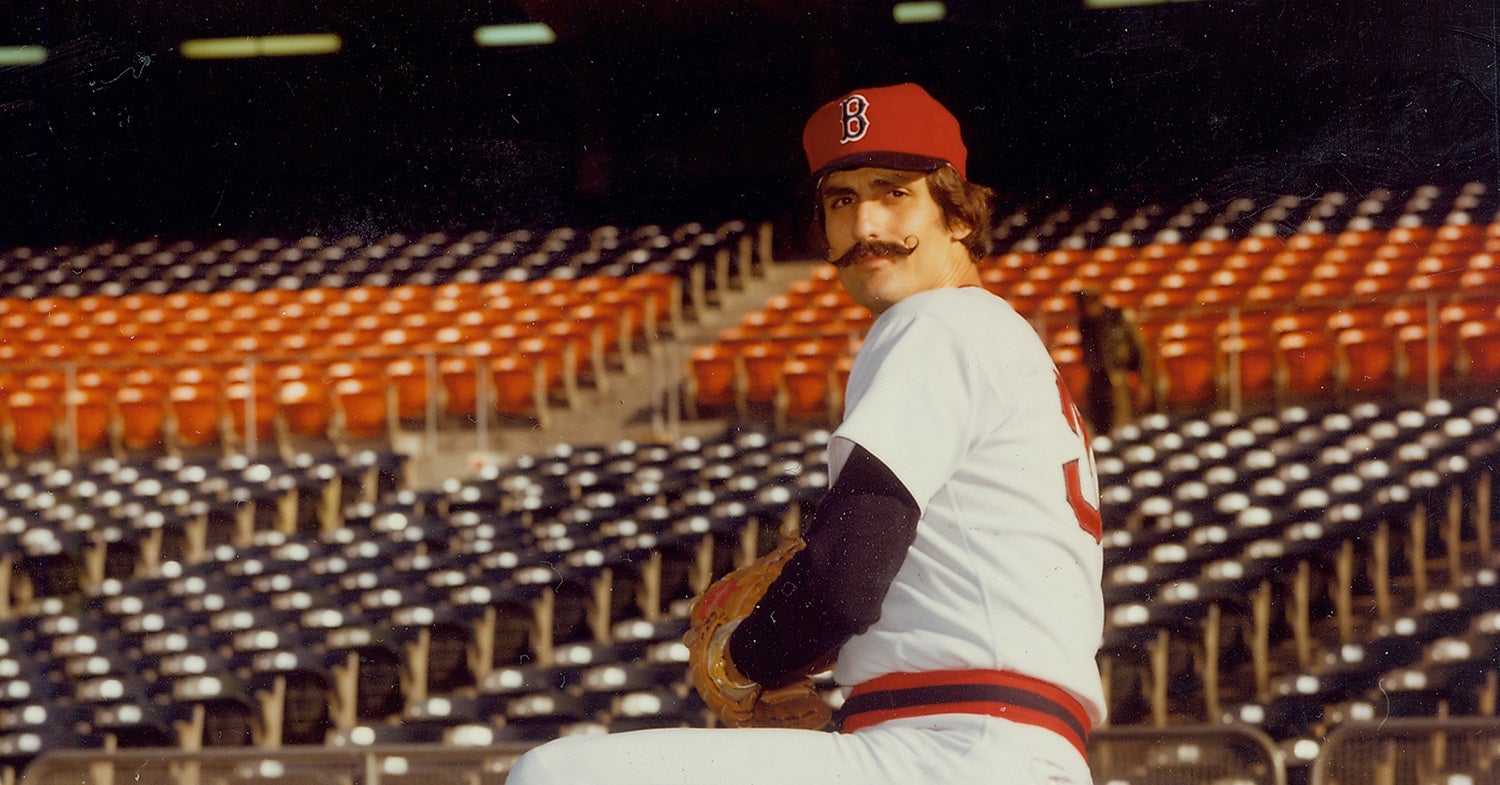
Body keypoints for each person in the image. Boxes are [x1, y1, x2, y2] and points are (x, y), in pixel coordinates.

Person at [508, 82, 1105, 785]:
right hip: (1010, 743)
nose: (866, 226)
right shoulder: (1000, 338)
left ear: (960, 214)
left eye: (894, 193)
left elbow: (845, 582)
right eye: (842, 200)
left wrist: (747, 659)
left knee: (556, 774)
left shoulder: (934, 322)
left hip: (951, 746)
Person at [1074, 288, 1152, 435]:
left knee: (1121, 428)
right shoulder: (1085, 323)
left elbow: (1139, 350)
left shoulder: (1118, 317)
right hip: (1097, 381)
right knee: (1100, 428)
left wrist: (1144, 381)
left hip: (1118, 380)